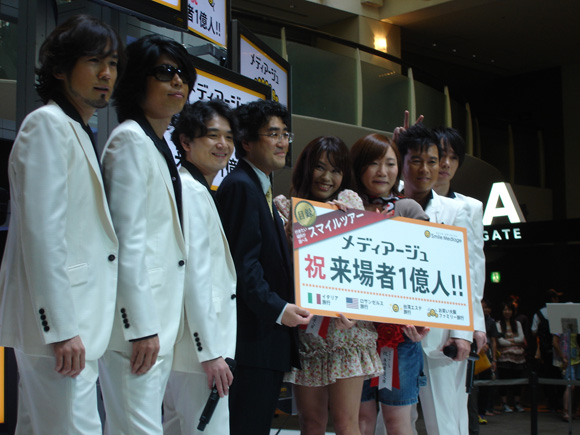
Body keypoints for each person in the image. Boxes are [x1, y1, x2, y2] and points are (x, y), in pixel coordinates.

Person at [0, 15, 123, 434]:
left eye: (113, 63)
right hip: (61, 327)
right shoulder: (47, 125)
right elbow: (42, 235)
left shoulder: (76, 129)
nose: (106, 74)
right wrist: (61, 328)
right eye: (94, 61)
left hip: (71, 323)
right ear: (59, 68)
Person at [99, 35, 196, 434]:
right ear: (138, 80)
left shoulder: (155, 145)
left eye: (183, 73)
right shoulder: (129, 141)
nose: (178, 81)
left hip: (157, 325)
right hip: (137, 329)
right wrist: (140, 326)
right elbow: (126, 242)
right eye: (165, 72)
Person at [274, 136, 384, 434]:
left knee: (347, 423)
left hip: (347, 331)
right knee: (311, 423)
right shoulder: (284, 209)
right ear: (306, 168)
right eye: (320, 167)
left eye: (336, 170)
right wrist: (289, 234)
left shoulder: (348, 203)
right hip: (307, 332)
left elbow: (366, 266)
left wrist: (344, 223)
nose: (327, 177)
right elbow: (280, 272)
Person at [215, 100, 313, 434]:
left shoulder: (261, 187)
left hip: (263, 344)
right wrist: (279, 309)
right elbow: (242, 268)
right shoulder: (242, 186)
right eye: (273, 134)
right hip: (251, 345)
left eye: (285, 134)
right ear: (246, 141)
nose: (283, 142)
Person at [397, 124, 479, 434]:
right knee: (391, 421)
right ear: (403, 162)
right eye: (416, 160)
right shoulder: (385, 205)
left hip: (442, 334)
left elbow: (468, 271)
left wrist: (464, 332)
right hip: (392, 331)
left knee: (445, 420)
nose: (426, 169)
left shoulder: (456, 210)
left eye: (433, 161)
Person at [162, 100, 238, 434]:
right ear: (185, 141)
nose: (223, 144)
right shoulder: (190, 190)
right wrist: (209, 352)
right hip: (198, 354)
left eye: (229, 137)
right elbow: (194, 275)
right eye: (212, 135)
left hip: (186, 350)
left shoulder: (194, 188)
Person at [349, 133, 430, 435]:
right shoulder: (343, 209)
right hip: (354, 334)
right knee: (360, 420)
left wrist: (423, 319)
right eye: (373, 163)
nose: (382, 172)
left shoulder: (408, 208)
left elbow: (428, 267)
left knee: (398, 422)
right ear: (358, 167)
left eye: (390, 163)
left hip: (399, 335)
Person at [531, 288, 563, 413]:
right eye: (557, 298)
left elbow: (533, 331)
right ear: (553, 299)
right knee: (559, 375)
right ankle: (561, 403)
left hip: (546, 350)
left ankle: (552, 403)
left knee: (548, 375)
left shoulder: (538, 314)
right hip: (560, 350)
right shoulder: (560, 312)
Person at [496, 301, 526, 412]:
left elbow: (521, 338)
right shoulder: (498, 324)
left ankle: (517, 403)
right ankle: (504, 404)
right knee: (504, 379)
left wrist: (508, 341)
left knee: (517, 379)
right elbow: (500, 341)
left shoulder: (517, 324)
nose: (507, 312)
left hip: (518, 357)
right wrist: (513, 342)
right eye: (505, 309)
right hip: (504, 356)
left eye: (509, 309)